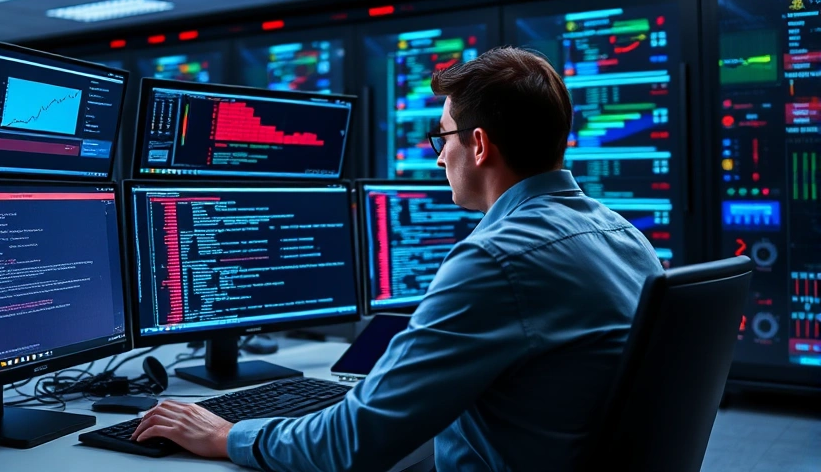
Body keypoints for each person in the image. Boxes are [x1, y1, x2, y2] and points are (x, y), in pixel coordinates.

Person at [131, 47, 664, 471]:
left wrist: (227, 434)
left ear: (479, 145)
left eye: (442, 136)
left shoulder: (495, 259)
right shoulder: (624, 235)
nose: (438, 155)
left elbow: (351, 446)